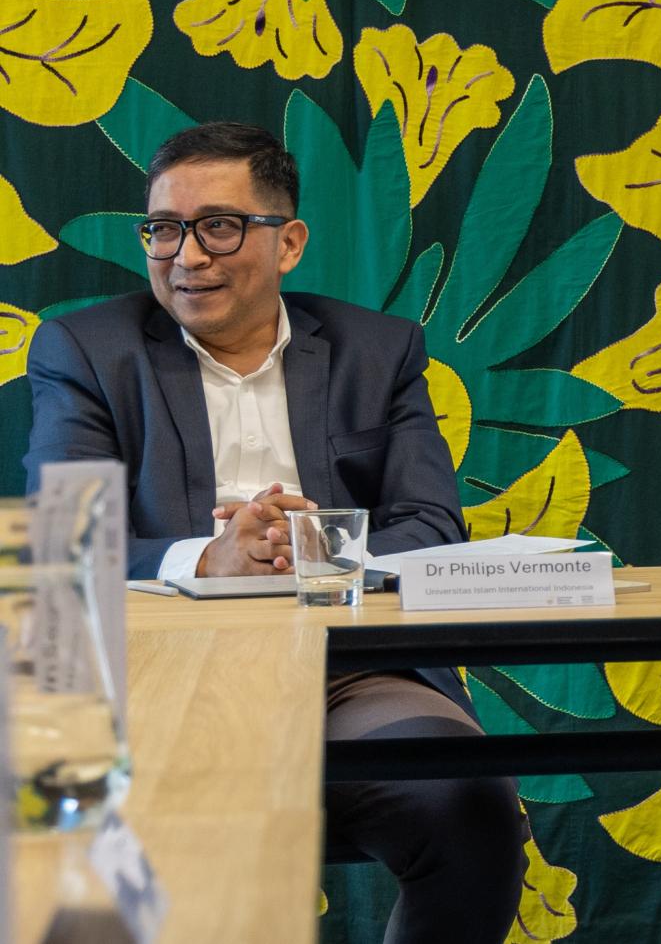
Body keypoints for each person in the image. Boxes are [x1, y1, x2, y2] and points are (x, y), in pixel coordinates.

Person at [24, 123, 523, 943]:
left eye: (219, 225)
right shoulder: (85, 349)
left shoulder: (378, 349)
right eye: (164, 229)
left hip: (350, 674)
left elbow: (431, 524)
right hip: (148, 679)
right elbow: (63, 538)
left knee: (465, 800)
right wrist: (206, 559)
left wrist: (321, 544)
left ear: (287, 241)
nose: (187, 255)